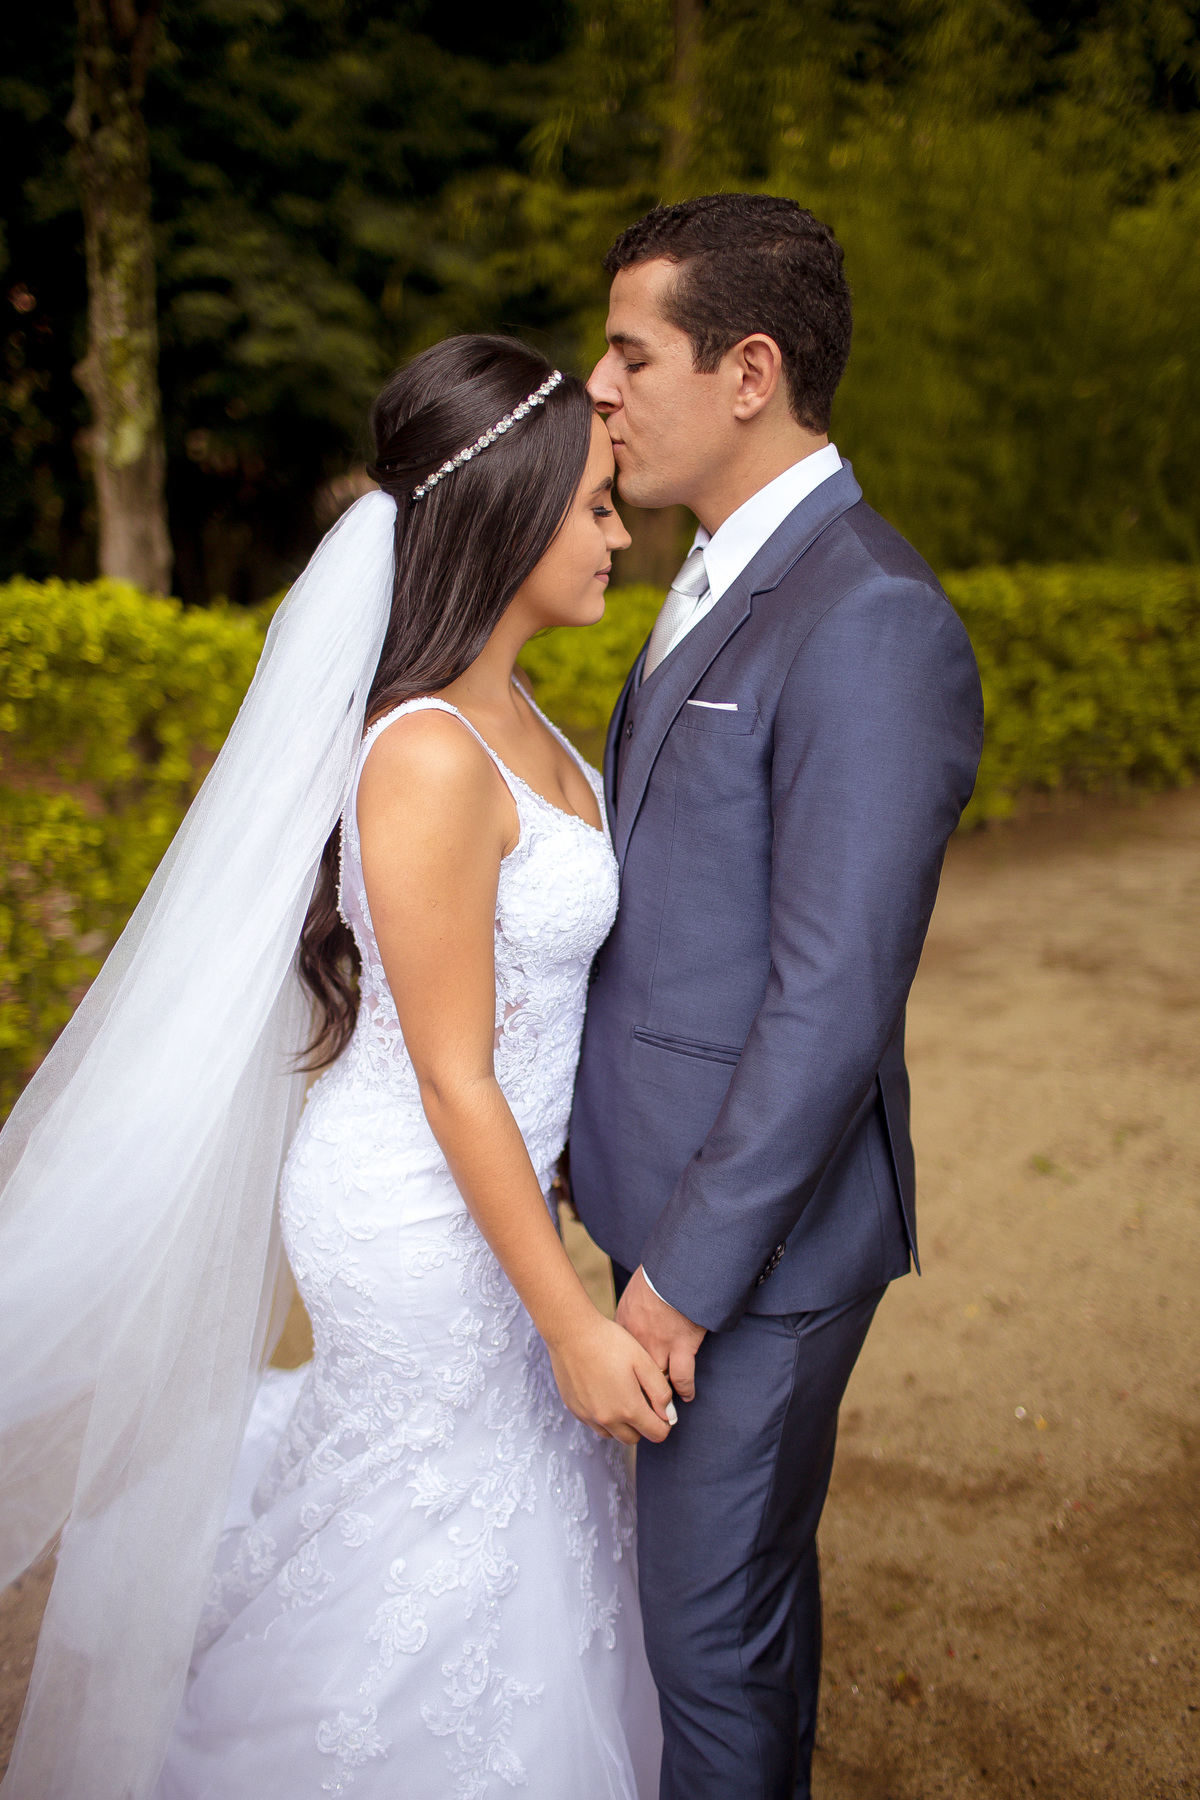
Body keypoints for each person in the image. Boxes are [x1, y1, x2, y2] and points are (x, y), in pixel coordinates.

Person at [0, 336, 664, 1800]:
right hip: (424, 1212)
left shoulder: (530, 718)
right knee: (430, 1528)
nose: (620, 533)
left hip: (486, 1195)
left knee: (497, 1521)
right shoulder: (427, 754)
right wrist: (567, 1318)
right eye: (597, 505)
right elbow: (453, 1078)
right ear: (512, 512)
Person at [569, 193, 985, 1800]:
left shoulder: (869, 618)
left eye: (629, 352)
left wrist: (675, 1283)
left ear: (750, 370)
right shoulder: (709, 578)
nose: (599, 388)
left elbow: (831, 1003)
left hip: (746, 1256)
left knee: (706, 1656)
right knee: (735, 1618)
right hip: (663, 1206)